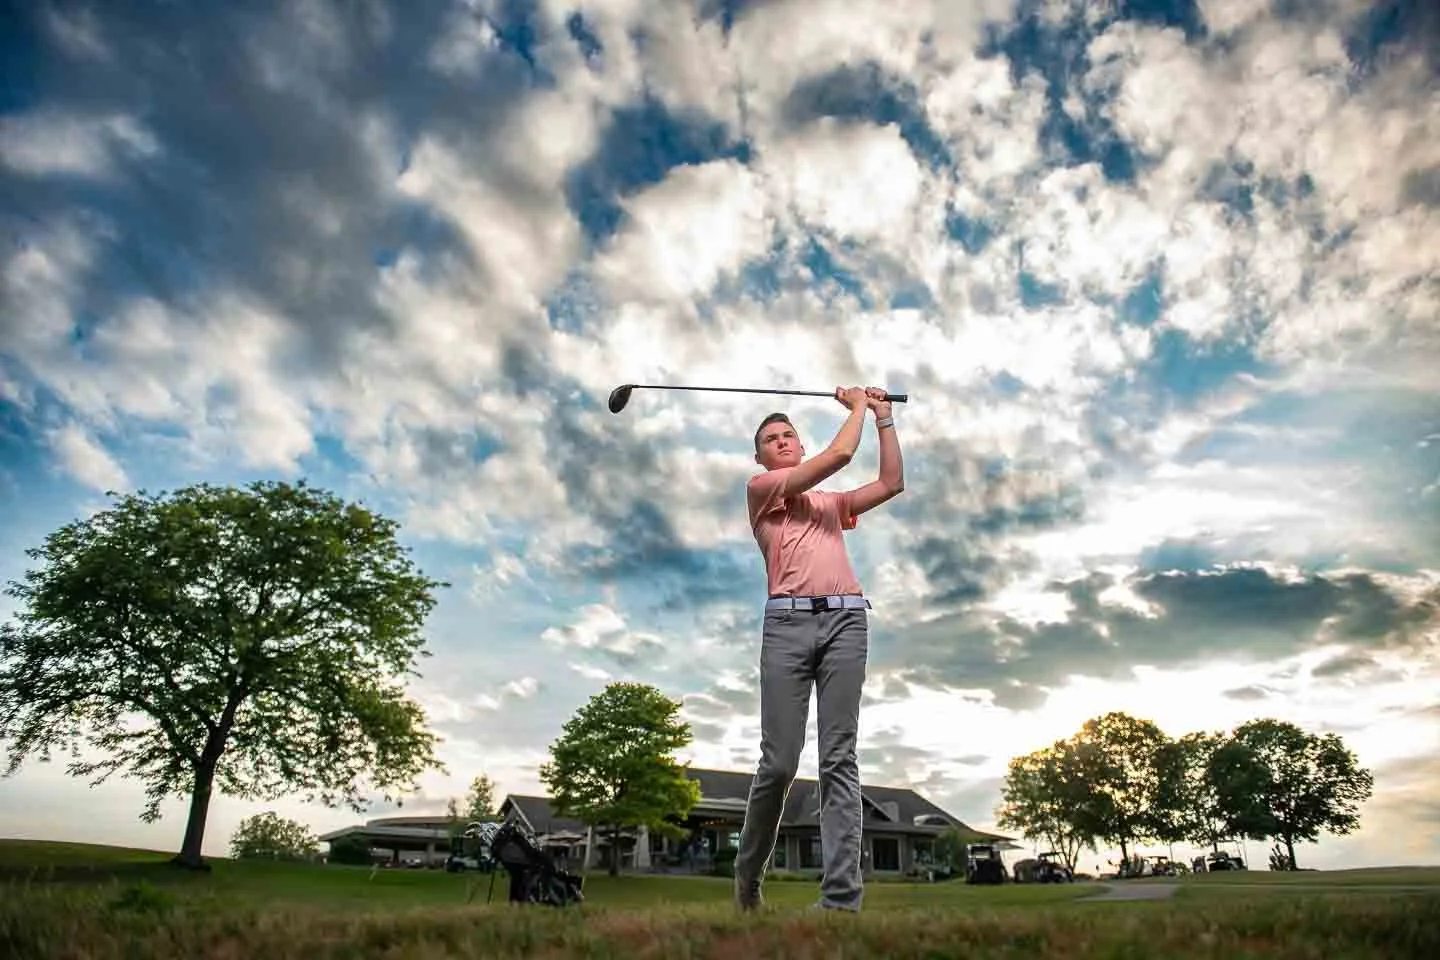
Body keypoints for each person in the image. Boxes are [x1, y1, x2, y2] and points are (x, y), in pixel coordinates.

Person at [732, 385, 905, 913]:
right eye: (770, 439)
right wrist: (856, 405)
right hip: (786, 628)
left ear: (799, 445)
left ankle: (840, 901)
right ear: (761, 457)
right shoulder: (762, 490)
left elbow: (892, 483)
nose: (781, 442)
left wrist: (882, 418)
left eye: (788, 436)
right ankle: (748, 881)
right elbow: (840, 455)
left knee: (839, 758)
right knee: (779, 765)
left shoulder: (830, 504)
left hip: (847, 621)